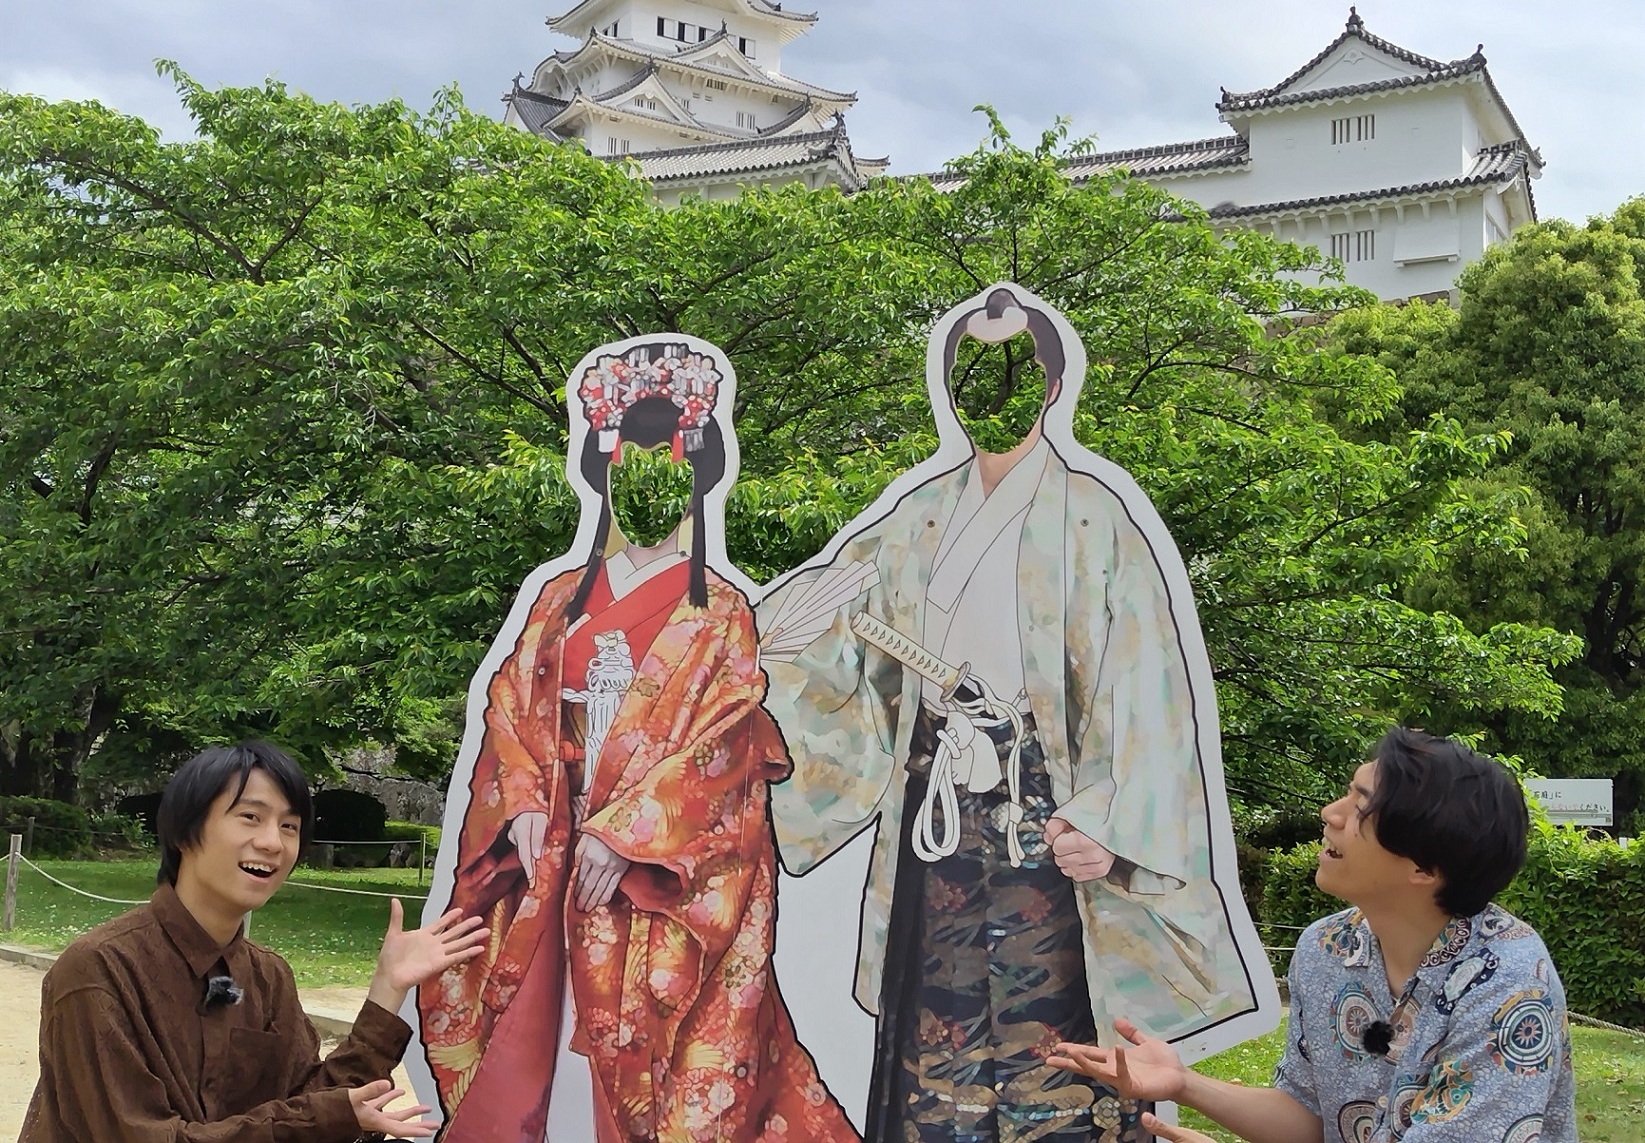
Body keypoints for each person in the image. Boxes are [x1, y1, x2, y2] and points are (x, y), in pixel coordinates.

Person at [758, 286, 1262, 1143]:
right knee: (934, 1033)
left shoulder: (1095, 520)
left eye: (1013, 371)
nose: (990, 392)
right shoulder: (914, 521)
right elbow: (831, 643)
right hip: (937, 812)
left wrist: (1107, 818)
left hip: (1046, 814)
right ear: (948, 387)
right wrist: (749, 652)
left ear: (1050, 384)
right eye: (973, 373)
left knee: (1059, 1042)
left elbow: (1145, 695)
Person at [419, 340, 859, 1143]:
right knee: (533, 1043)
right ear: (603, 472)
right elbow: (510, 707)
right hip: (551, 851)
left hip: (648, 878)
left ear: (699, 474)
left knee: (650, 1052)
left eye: (670, 465)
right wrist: (522, 801)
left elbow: (724, 746)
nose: (649, 483)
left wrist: (628, 834)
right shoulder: (558, 598)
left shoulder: (720, 610)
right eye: (630, 464)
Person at [1049, 726, 1578, 1143]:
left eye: (1360, 807)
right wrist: (1184, 1084)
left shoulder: (1508, 986)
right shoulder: (1327, 948)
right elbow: (1309, 1119)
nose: (1331, 814)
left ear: (1423, 867)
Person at [20, 739, 488, 1142]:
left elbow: (316, 1103)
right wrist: (320, 1117)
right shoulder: (99, 970)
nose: (273, 843)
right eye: (250, 817)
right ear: (185, 832)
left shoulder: (267, 976)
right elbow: (141, 1135)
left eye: (289, 826)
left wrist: (388, 988)